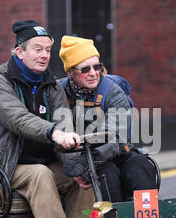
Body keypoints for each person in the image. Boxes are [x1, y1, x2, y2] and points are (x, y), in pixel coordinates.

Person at [0, 21, 94, 218]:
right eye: (37, 49)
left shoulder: (52, 86)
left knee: (82, 178)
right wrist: (54, 133)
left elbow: (64, 123)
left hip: (42, 163)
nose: (44, 55)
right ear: (20, 52)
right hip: (3, 166)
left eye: (48, 50)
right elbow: (18, 119)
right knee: (40, 175)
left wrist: (74, 166)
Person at [58, 35, 157, 202]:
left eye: (97, 67)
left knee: (141, 167)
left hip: (114, 151)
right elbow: (58, 135)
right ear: (70, 72)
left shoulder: (112, 90)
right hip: (80, 159)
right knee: (106, 174)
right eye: (85, 69)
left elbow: (117, 136)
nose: (93, 74)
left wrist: (89, 161)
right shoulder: (59, 92)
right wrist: (74, 167)